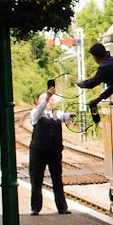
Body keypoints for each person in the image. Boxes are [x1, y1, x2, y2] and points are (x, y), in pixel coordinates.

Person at [29, 84, 74, 216]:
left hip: (54, 151)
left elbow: (65, 116)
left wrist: (71, 116)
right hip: (38, 151)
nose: (49, 104)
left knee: (57, 179)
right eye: (48, 101)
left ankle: (62, 207)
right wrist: (47, 96)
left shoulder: (57, 114)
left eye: (51, 101)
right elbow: (38, 111)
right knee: (36, 178)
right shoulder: (36, 114)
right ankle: (35, 207)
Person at [76, 42, 113, 123]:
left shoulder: (104, 67)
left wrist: (80, 83)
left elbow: (91, 83)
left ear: (95, 56)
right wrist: (98, 99)